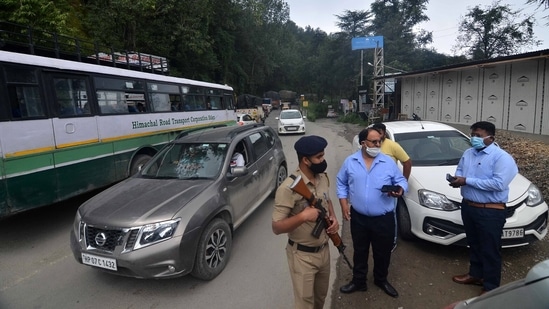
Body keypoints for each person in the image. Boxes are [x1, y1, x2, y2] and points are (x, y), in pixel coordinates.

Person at [337, 127, 408, 298]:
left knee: (382, 252)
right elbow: (341, 183)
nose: (378, 144)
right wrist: (344, 204)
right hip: (359, 218)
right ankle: (358, 281)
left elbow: (401, 181)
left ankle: (381, 279)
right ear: (363, 143)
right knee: (360, 251)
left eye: (380, 141)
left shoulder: (388, 162)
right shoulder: (350, 162)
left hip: (383, 219)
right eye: (374, 141)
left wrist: (399, 189)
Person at [448, 121, 518, 295]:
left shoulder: (502, 158)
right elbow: (461, 171)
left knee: (490, 249)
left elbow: (499, 184)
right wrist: (457, 180)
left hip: (490, 211)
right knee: (474, 244)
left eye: (478, 136)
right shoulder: (468, 153)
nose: (473, 138)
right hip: (469, 207)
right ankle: (475, 274)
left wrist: (467, 181)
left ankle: (491, 287)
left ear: (490, 138)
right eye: (472, 135)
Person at [272, 135, 339, 309]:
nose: (323, 160)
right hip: (302, 257)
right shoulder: (287, 188)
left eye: (323, 155)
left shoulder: (323, 177)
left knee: (320, 300)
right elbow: (277, 227)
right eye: (319, 157)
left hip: (324, 251)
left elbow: (327, 199)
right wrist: (302, 216)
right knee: (304, 305)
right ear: (305, 160)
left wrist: (333, 217)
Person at [372, 122, 412, 251]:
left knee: (391, 214)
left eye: (380, 133)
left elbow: (407, 162)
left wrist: (402, 182)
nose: (378, 136)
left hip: (389, 188)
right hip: (373, 187)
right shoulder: (370, 146)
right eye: (375, 132)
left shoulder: (393, 146)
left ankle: (392, 241)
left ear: (384, 133)